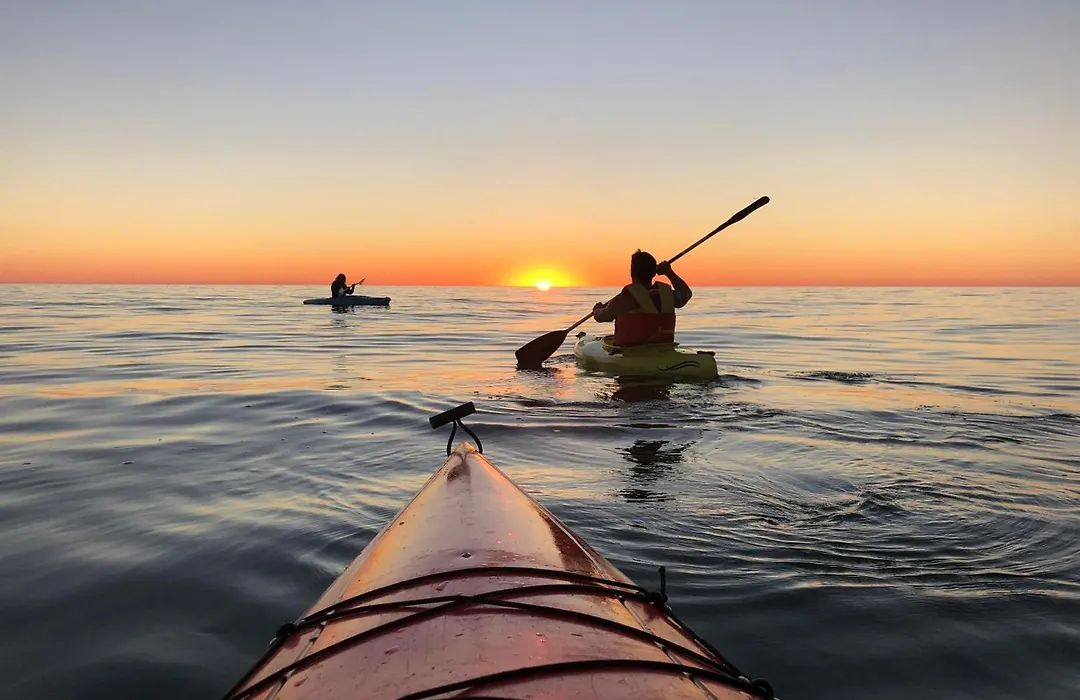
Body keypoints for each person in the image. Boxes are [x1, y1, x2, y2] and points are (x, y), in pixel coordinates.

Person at [591, 250, 692, 347]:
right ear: (654, 273)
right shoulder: (666, 296)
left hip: (631, 352)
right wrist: (669, 272)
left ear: (632, 273)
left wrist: (597, 309)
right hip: (664, 349)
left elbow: (602, 317)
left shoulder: (625, 300)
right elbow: (686, 294)